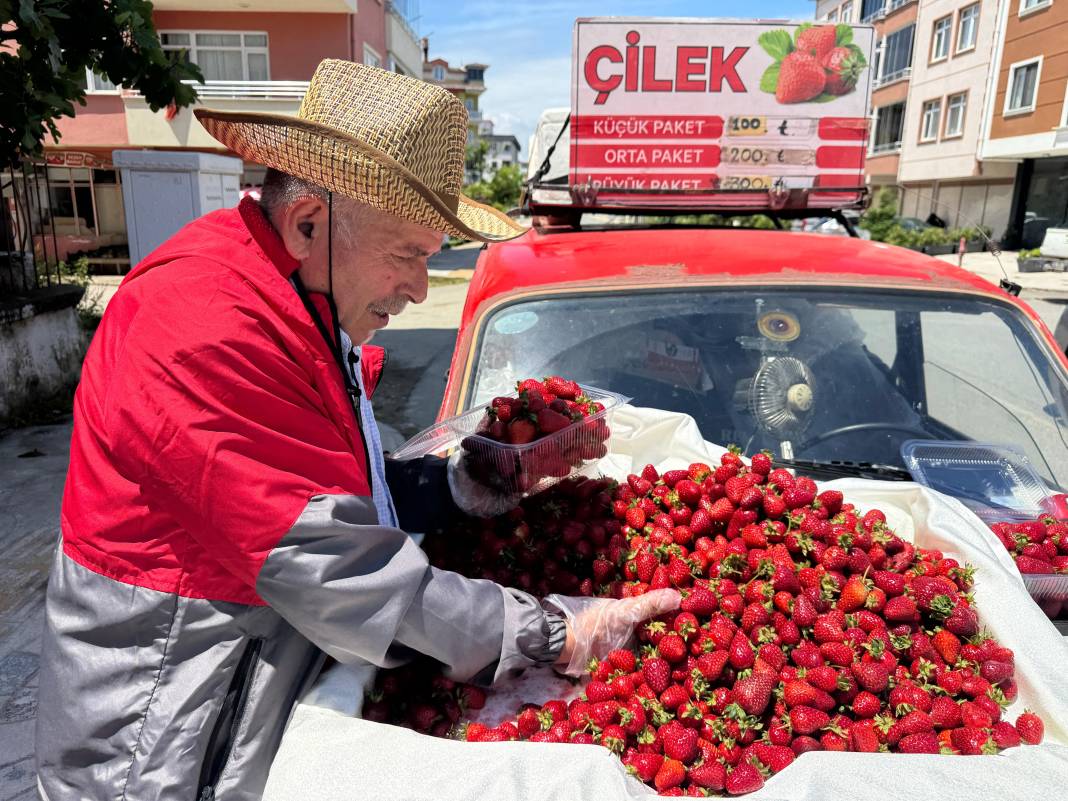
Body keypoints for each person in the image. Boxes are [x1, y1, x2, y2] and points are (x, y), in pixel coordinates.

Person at [35, 60, 678, 801]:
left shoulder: (295, 300)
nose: (414, 287)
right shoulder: (202, 324)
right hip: (159, 745)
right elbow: (338, 571)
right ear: (308, 220)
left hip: (228, 702)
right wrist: (554, 631)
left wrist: (461, 486)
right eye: (408, 256)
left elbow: (322, 491)